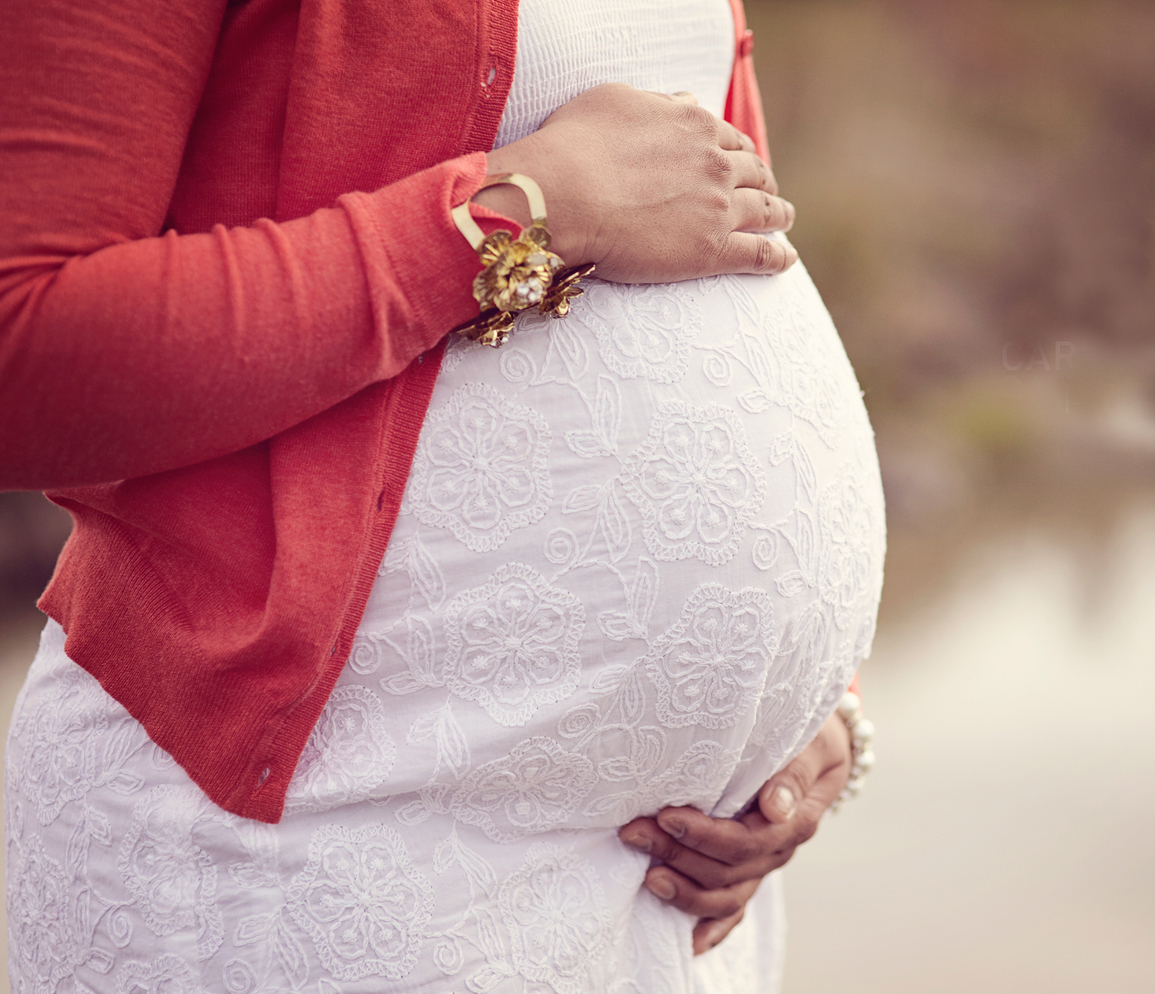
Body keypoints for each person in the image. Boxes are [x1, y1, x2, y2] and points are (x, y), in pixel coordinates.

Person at [0, 0, 884, 991]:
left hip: (677, 879)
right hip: (328, 842)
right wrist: (523, 214)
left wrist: (813, 707)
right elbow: (22, 353)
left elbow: (719, 199)